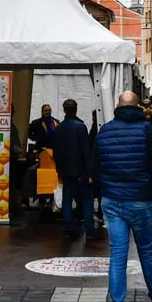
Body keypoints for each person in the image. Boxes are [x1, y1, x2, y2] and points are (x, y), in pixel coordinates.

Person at [92, 91, 152, 302]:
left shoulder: (105, 130)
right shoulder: (146, 129)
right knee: (147, 253)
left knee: (118, 256)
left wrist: (104, 191)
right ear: (138, 106)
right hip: (141, 200)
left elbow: (95, 167)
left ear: (117, 106)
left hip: (113, 200)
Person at [50, 99, 101, 240]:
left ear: (64, 109)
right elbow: (86, 151)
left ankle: (68, 228)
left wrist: (59, 170)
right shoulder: (80, 127)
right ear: (76, 109)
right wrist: (89, 172)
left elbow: (56, 152)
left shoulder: (58, 128)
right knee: (87, 200)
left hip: (65, 171)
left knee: (67, 200)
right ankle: (89, 229)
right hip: (81, 171)